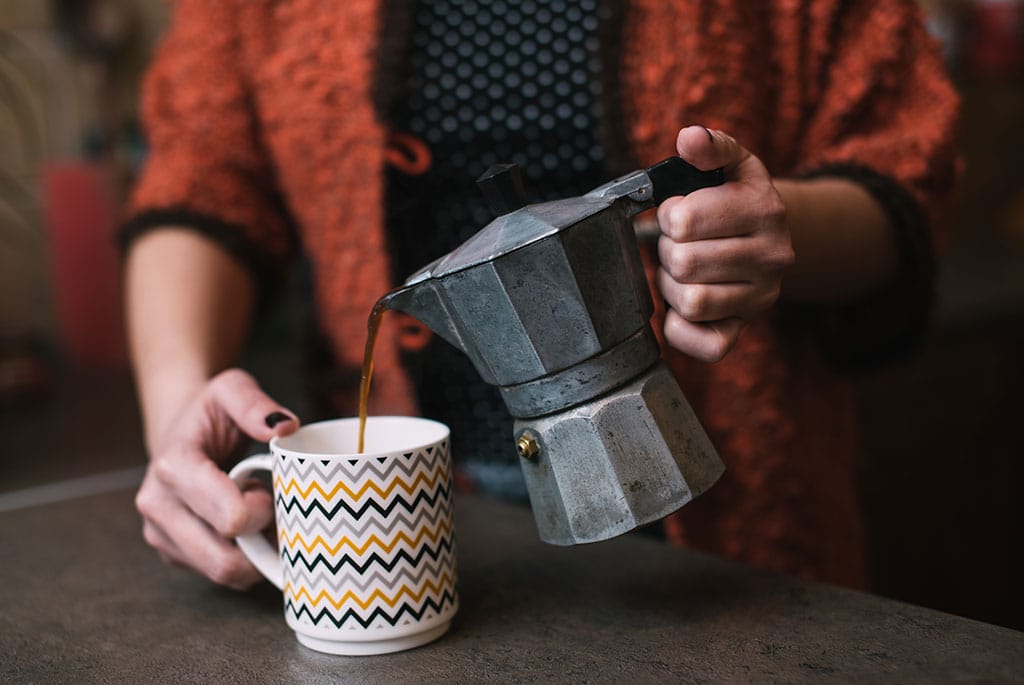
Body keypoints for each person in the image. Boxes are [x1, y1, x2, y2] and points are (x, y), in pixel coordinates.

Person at [120, 0, 958, 590]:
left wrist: (761, 227)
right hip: (423, 541)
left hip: (749, 537)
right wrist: (177, 410)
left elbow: (900, 177)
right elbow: (202, 174)